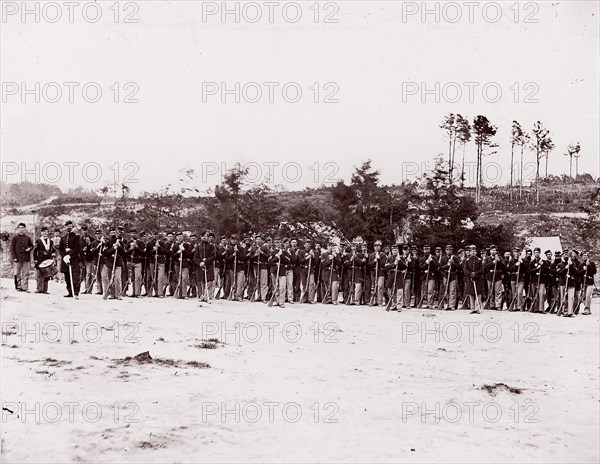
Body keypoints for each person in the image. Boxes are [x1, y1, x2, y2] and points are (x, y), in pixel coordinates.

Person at [59, 220, 81, 299]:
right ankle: (70, 292)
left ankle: (76, 293)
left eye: (70, 226)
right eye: (67, 226)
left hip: (74, 259)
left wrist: (70, 255)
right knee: (67, 277)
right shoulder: (63, 238)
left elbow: (77, 248)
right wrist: (64, 256)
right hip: (65, 260)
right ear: (65, 227)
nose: (69, 227)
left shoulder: (76, 236)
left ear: (72, 227)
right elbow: (60, 248)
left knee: (75, 277)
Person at [10, 222, 34, 292]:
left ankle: (25, 287)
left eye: (23, 228)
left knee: (26, 273)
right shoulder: (15, 238)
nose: (22, 230)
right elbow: (12, 248)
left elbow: (32, 246)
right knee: (17, 273)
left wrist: (29, 249)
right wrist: (14, 257)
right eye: (20, 228)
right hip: (17, 258)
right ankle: (18, 286)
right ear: (18, 229)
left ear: (25, 229)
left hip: (26, 258)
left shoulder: (28, 238)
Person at [462, 245, 484, 314]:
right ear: (470, 252)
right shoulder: (467, 260)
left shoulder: (479, 260)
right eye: (471, 251)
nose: (473, 252)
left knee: (478, 293)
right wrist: (471, 274)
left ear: (476, 252)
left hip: (478, 279)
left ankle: (477, 308)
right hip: (470, 279)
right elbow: (465, 270)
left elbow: (482, 270)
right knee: (471, 293)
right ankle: (472, 308)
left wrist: (476, 274)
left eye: (474, 251)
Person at [33, 226, 54, 293]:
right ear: (41, 233)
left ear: (47, 233)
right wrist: (35, 259)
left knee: (47, 274)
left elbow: (52, 250)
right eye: (43, 232)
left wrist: (52, 254)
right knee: (39, 274)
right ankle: (39, 289)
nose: (45, 233)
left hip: (47, 259)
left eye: (46, 232)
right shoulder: (38, 241)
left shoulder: (50, 241)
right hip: (40, 259)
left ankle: (45, 289)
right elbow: (35, 251)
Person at [579, 251, 596, 315]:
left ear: (587, 256)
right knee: (583, 297)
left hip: (590, 282)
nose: (584, 256)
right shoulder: (581, 264)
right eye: (583, 255)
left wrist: (589, 266)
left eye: (586, 255)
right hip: (583, 282)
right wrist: (583, 270)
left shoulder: (592, 263)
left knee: (588, 296)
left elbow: (594, 272)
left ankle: (587, 309)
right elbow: (578, 273)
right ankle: (586, 307)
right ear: (582, 257)